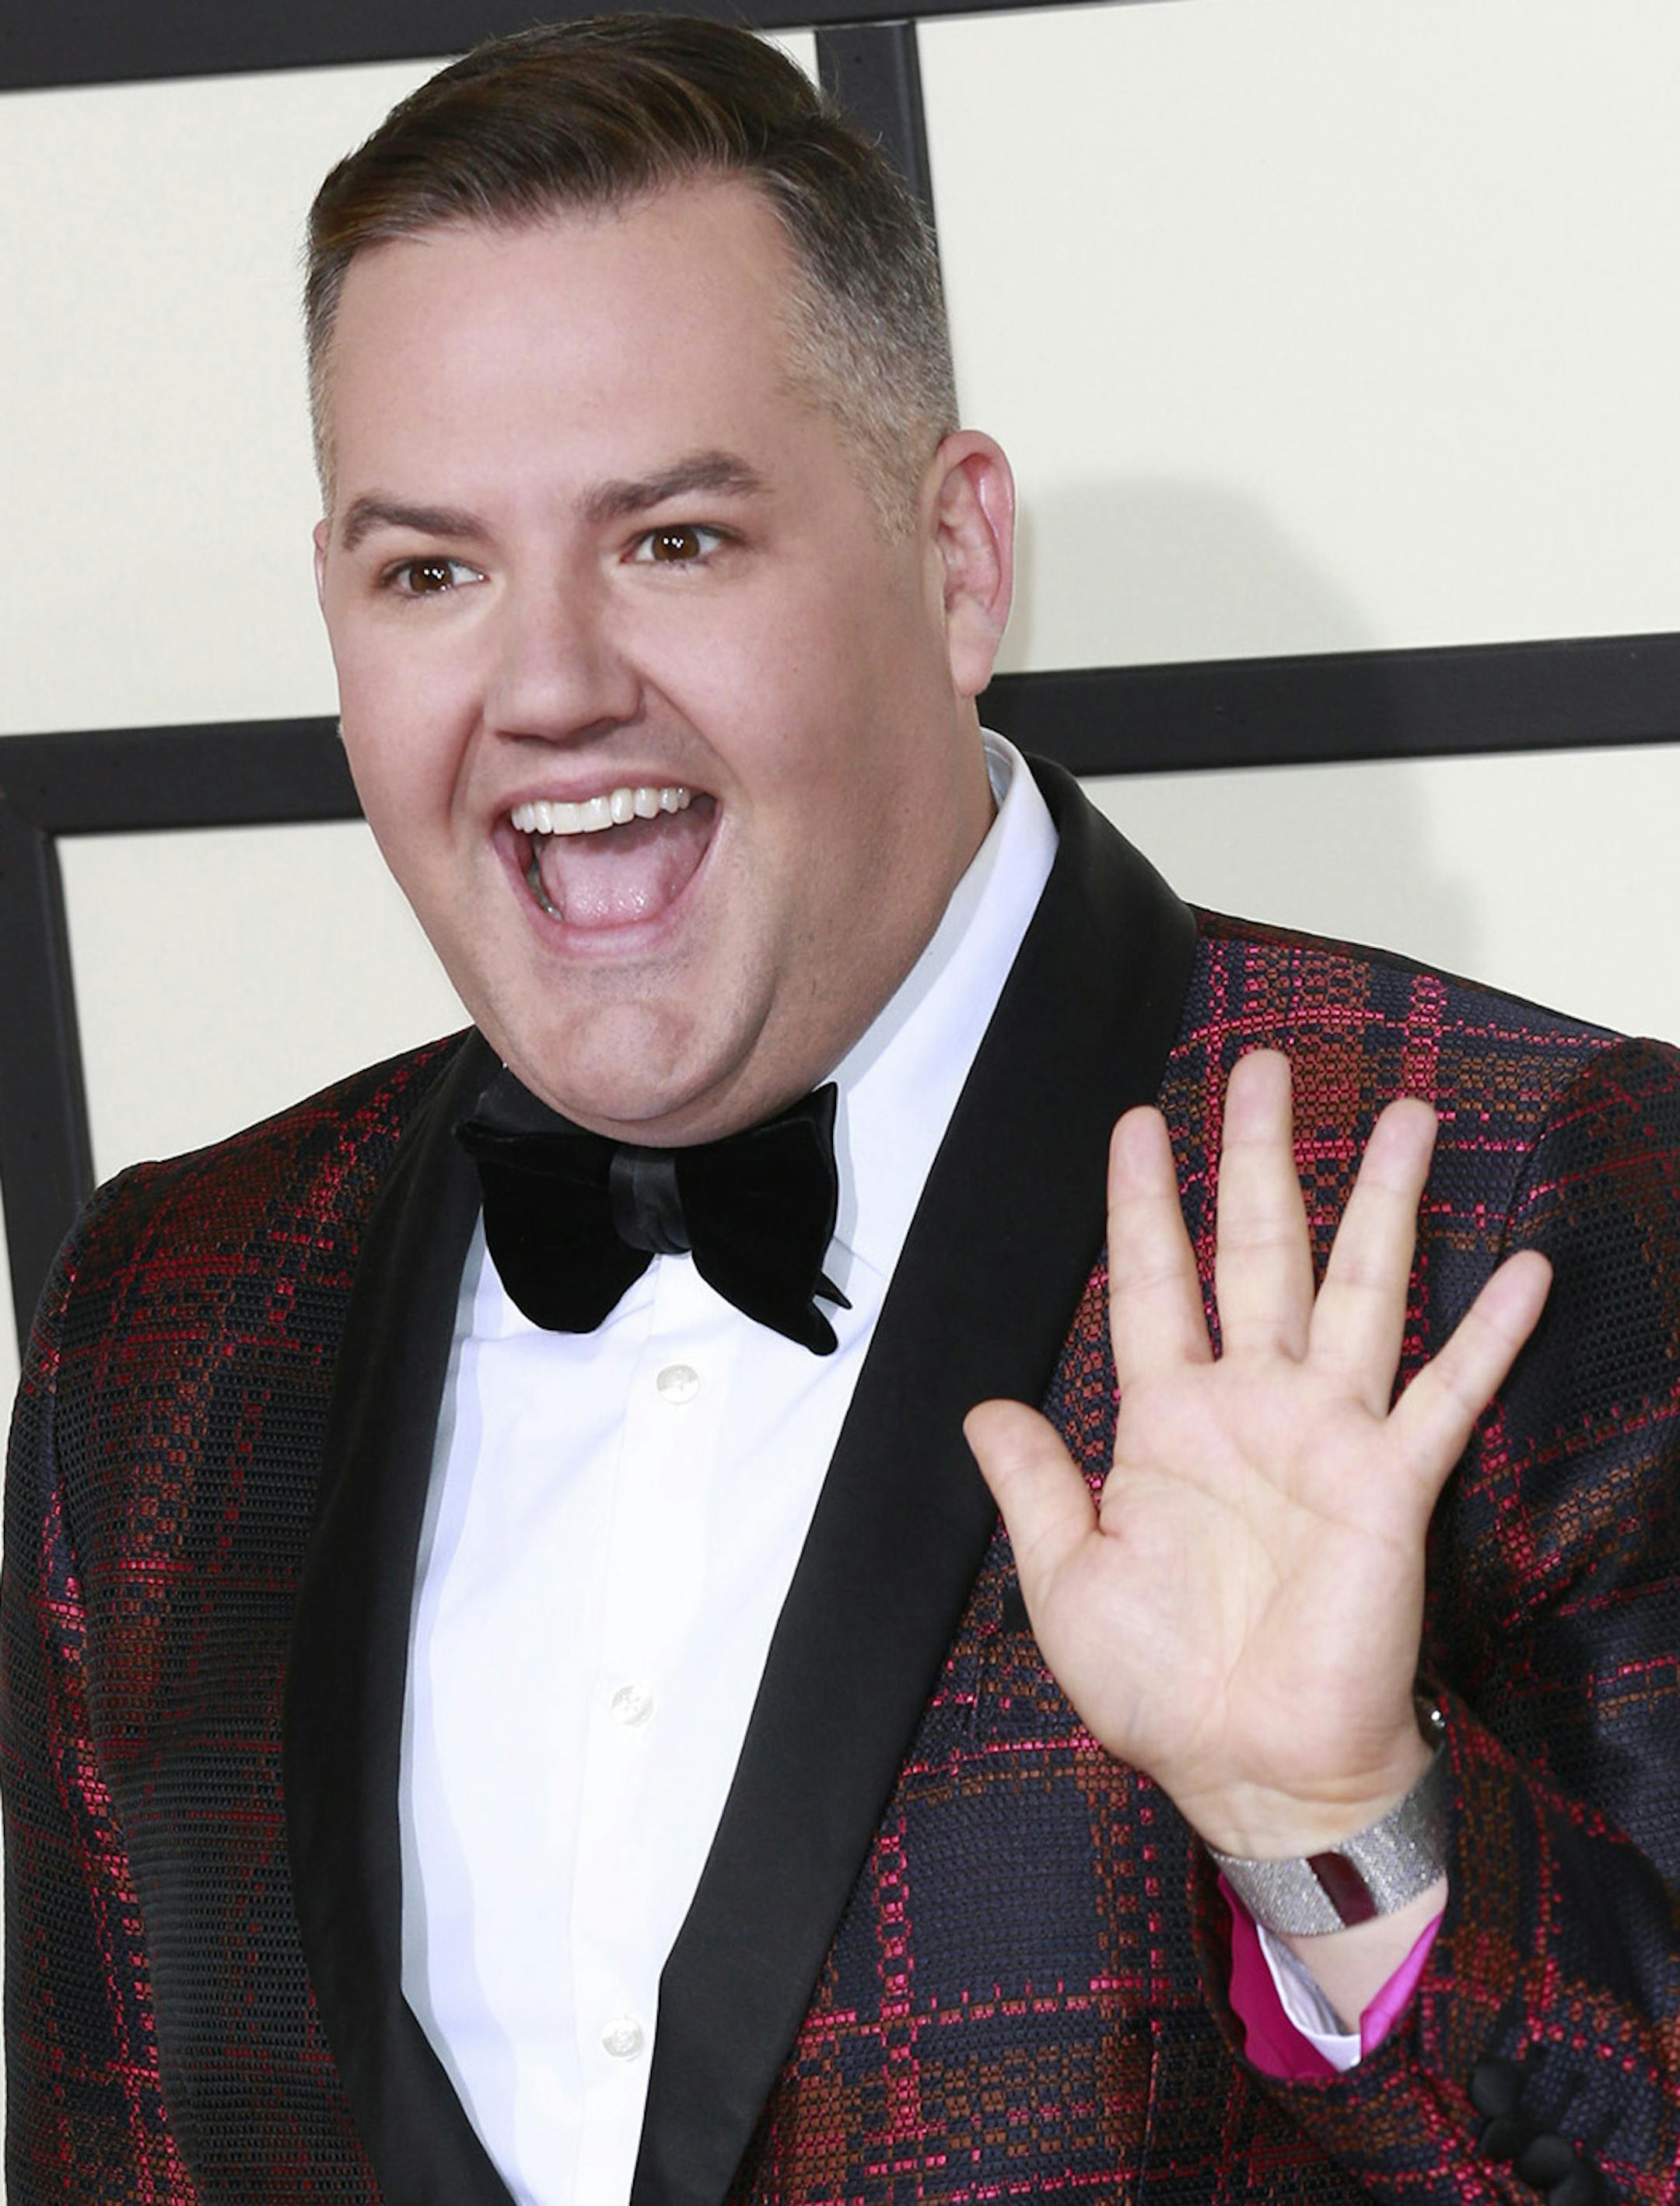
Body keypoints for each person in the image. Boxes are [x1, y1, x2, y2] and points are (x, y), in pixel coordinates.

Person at [4, 17, 1676, 2204]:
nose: (548, 685)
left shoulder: (1509, 1199)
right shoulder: (162, 1329)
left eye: (676, 540)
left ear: (959, 562)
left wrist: (1341, 1835)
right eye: (433, 572)